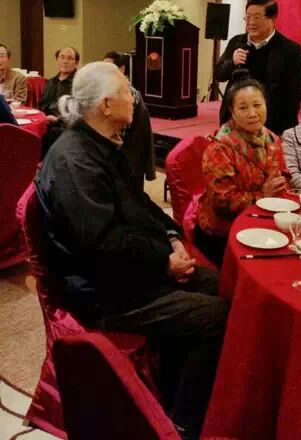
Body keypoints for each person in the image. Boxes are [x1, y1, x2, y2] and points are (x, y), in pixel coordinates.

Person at [35, 62, 228, 440]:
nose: (134, 98)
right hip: (103, 291)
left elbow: (139, 205)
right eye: (126, 90)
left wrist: (172, 237)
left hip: (126, 267)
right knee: (216, 316)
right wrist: (163, 262)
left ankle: (173, 388)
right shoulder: (76, 161)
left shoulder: (103, 142)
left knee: (215, 283)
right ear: (106, 105)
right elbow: (101, 245)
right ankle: (182, 423)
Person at [195, 77, 286, 268]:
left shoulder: (272, 140)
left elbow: (281, 177)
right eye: (243, 108)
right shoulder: (220, 148)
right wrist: (263, 196)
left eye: (257, 105)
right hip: (223, 233)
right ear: (232, 111)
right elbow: (222, 202)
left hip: (262, 222)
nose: (252, 113)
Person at [215, 0, 301, 135]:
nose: (251, 23)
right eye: (248, 17)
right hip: (234, 121)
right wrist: (232, 63)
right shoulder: (237, 42)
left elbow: (293, 96)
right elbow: (219, 74)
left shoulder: (289, 50)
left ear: (273, 19)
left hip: (272, 123)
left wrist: (286, 131)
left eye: (256, 18)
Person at [103, 51, 156, 187]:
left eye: (108, 69)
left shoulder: (128, 93)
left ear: (121, 69)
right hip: (122, 157)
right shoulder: (110, 92)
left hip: (128, 158)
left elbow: (117, 131)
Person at [39, 46, 79, 157]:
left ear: (76, 63)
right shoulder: (50, 82)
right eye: (62, 57)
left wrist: (57, 120)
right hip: (47, 122)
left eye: (70, 58)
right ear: (57, 60)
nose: (65, 61)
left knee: (51, 134)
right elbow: (41, 104)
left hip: (66, 126)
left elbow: (78, 112)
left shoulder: (78, 84)